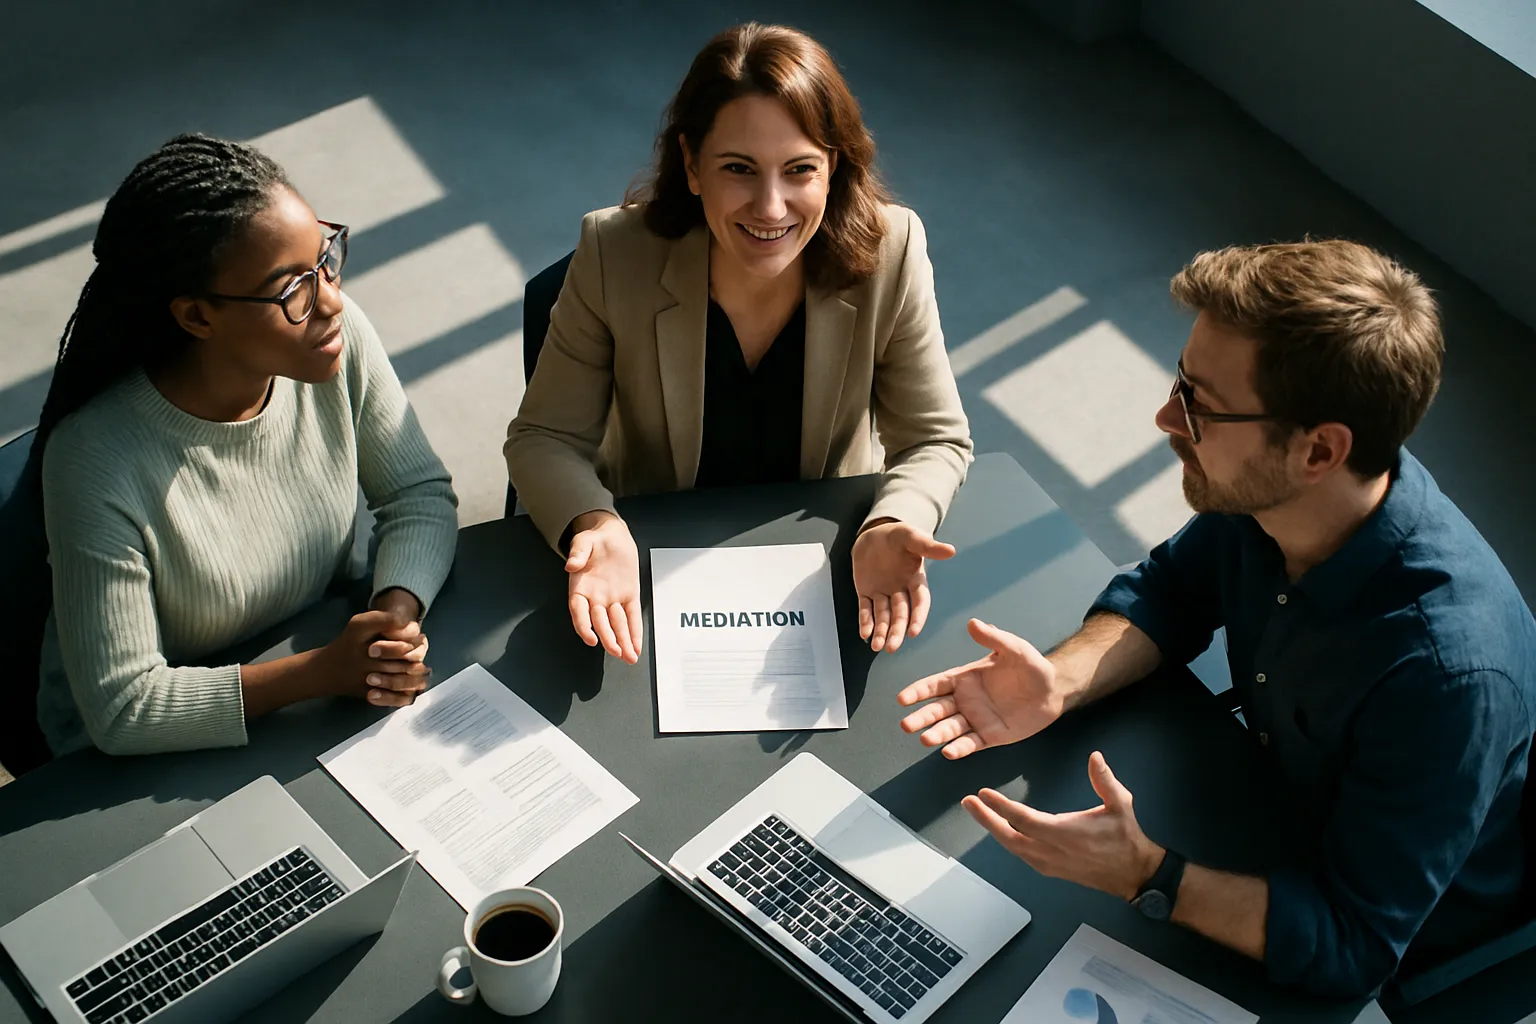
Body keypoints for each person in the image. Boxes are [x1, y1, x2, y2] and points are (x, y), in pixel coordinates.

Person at [895, 240, 1536, 996]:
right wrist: (1060, 681)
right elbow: (1171, 590)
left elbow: (1354, 943)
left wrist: (1148, 874)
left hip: (1374, 936)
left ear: (1319, 452)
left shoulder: (1449, 676)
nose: (1167, 417)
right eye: (1181, 381)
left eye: (1199, 404)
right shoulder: (1282, 494)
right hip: (1262, 809)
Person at [504, 23, 973, 665]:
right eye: (739, 169)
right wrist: (595, 522)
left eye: (800, 169)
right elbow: (544, 437)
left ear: (834, 167)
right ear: (692, 165)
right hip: (647, 565)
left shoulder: (894, 251)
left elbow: (935, 439)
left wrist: (895, 520)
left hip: (823, 566)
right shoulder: (614, 252)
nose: (771, 207)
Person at [33, 133, 459, 756]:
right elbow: (125, 708)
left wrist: (392, 620)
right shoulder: (93, 460)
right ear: (197, 317)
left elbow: (417, 493)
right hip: (142, 759)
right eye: (292, 289)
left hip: (309, 685)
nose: (331, 300)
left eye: (326, 259)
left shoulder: (333, 340)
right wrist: (322, 672)